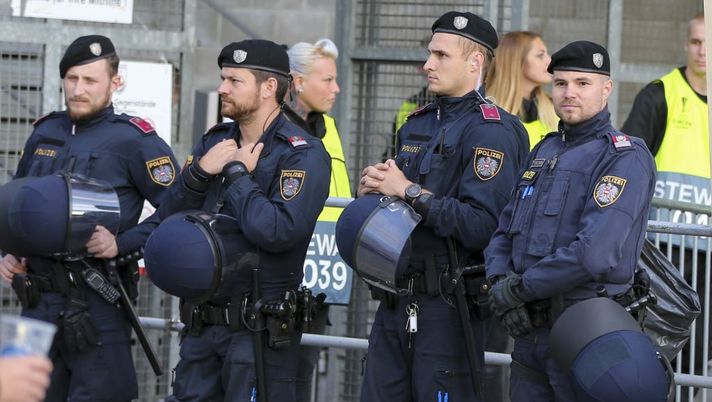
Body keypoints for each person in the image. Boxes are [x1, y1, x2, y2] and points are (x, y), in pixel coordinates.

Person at [356, 11, 529, 402]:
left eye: (441, 55)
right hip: (395, 297)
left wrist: (410, 192)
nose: (427, 64)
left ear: (475, 62)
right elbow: (396, 197)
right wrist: (377, 190)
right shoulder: (417, 123)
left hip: (449, 308)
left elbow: (483, 224)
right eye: (429, 53)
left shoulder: (493, 131)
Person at [0, 35, 177, 402]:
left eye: (91, 80)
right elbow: (19, 203)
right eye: (72, 79)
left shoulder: (136, 140)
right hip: (36, 302)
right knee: (17, 395)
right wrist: (11, 252)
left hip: (98, 303)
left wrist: (121, 244)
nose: (79, 89)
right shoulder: (44, 131)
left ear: (116, 82)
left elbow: (179, 209)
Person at [157, 39, 331, 402]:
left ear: (269, 87)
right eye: (223, 78)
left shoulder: (302, 153)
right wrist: (200, 173)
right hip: (202, 327)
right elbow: (168, 218)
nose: (222, 88)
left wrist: (237, 175)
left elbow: (278, 231)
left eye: (234, 81)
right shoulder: (215, 142)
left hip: (257, 334)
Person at [485, 41, 658, 401]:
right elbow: (504, 230)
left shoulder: (623, 156)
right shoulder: (545, 149)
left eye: (583, 83)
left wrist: (518, 290)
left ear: (606, 89)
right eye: (561, 84)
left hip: (587, 330)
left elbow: (595, 253)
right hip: (529, 329)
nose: (569, 93)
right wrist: (500, 283)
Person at [621, 10, 709, 390]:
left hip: (708, 247)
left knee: (701, 351)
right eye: (695, 41)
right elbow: (627, 163)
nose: (702, 51)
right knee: (663, 349)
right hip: (666, 248)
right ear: (686, 43)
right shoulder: (661, 93)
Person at [283, 38, 352, 402]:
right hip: (283, 275)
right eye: (327, 80)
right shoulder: (274, 128)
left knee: (303, 376)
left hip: (321, 275)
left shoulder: (328, 128)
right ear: (296, 82)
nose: (336, 88)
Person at [486, 31, 558, 149]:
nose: (549, 61)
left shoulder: (554, 108)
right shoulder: (487, 110)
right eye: (540, 55)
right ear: (516, 60)